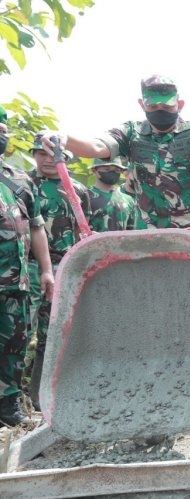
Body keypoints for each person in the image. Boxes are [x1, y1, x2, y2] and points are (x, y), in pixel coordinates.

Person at [40, 75, 190, 229]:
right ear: (142, 104)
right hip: (147, 233)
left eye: (167, 106)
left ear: (179, 104)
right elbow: (97, 147)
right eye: (153, 106)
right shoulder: (130, 132)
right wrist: (67, 138)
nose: (160, 110)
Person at [27, 133, 91, 407]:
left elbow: (82, 231)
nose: (48, 159)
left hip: (65, 268)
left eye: (54, 154)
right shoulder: (23, 184)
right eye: (42, 153)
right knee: (19, 333)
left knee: (54, 333)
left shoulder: (76, 189)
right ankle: (16, 399)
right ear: (34, 154)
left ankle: (46, 398)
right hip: (28, 268)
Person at [0, 109, 54, 426]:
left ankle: (8, 409)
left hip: (15, 284)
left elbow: (36, 228)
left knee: (15, 345)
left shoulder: (19, 181)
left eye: (3, 129)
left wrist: (46, 270)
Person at [87, 157, 135, 232]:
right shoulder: (86, 196)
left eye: (117, 170)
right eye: (107, 169)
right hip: (94, 243)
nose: (112, 173)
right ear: (94, 170)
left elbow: (131, 232)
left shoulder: (128, 200)